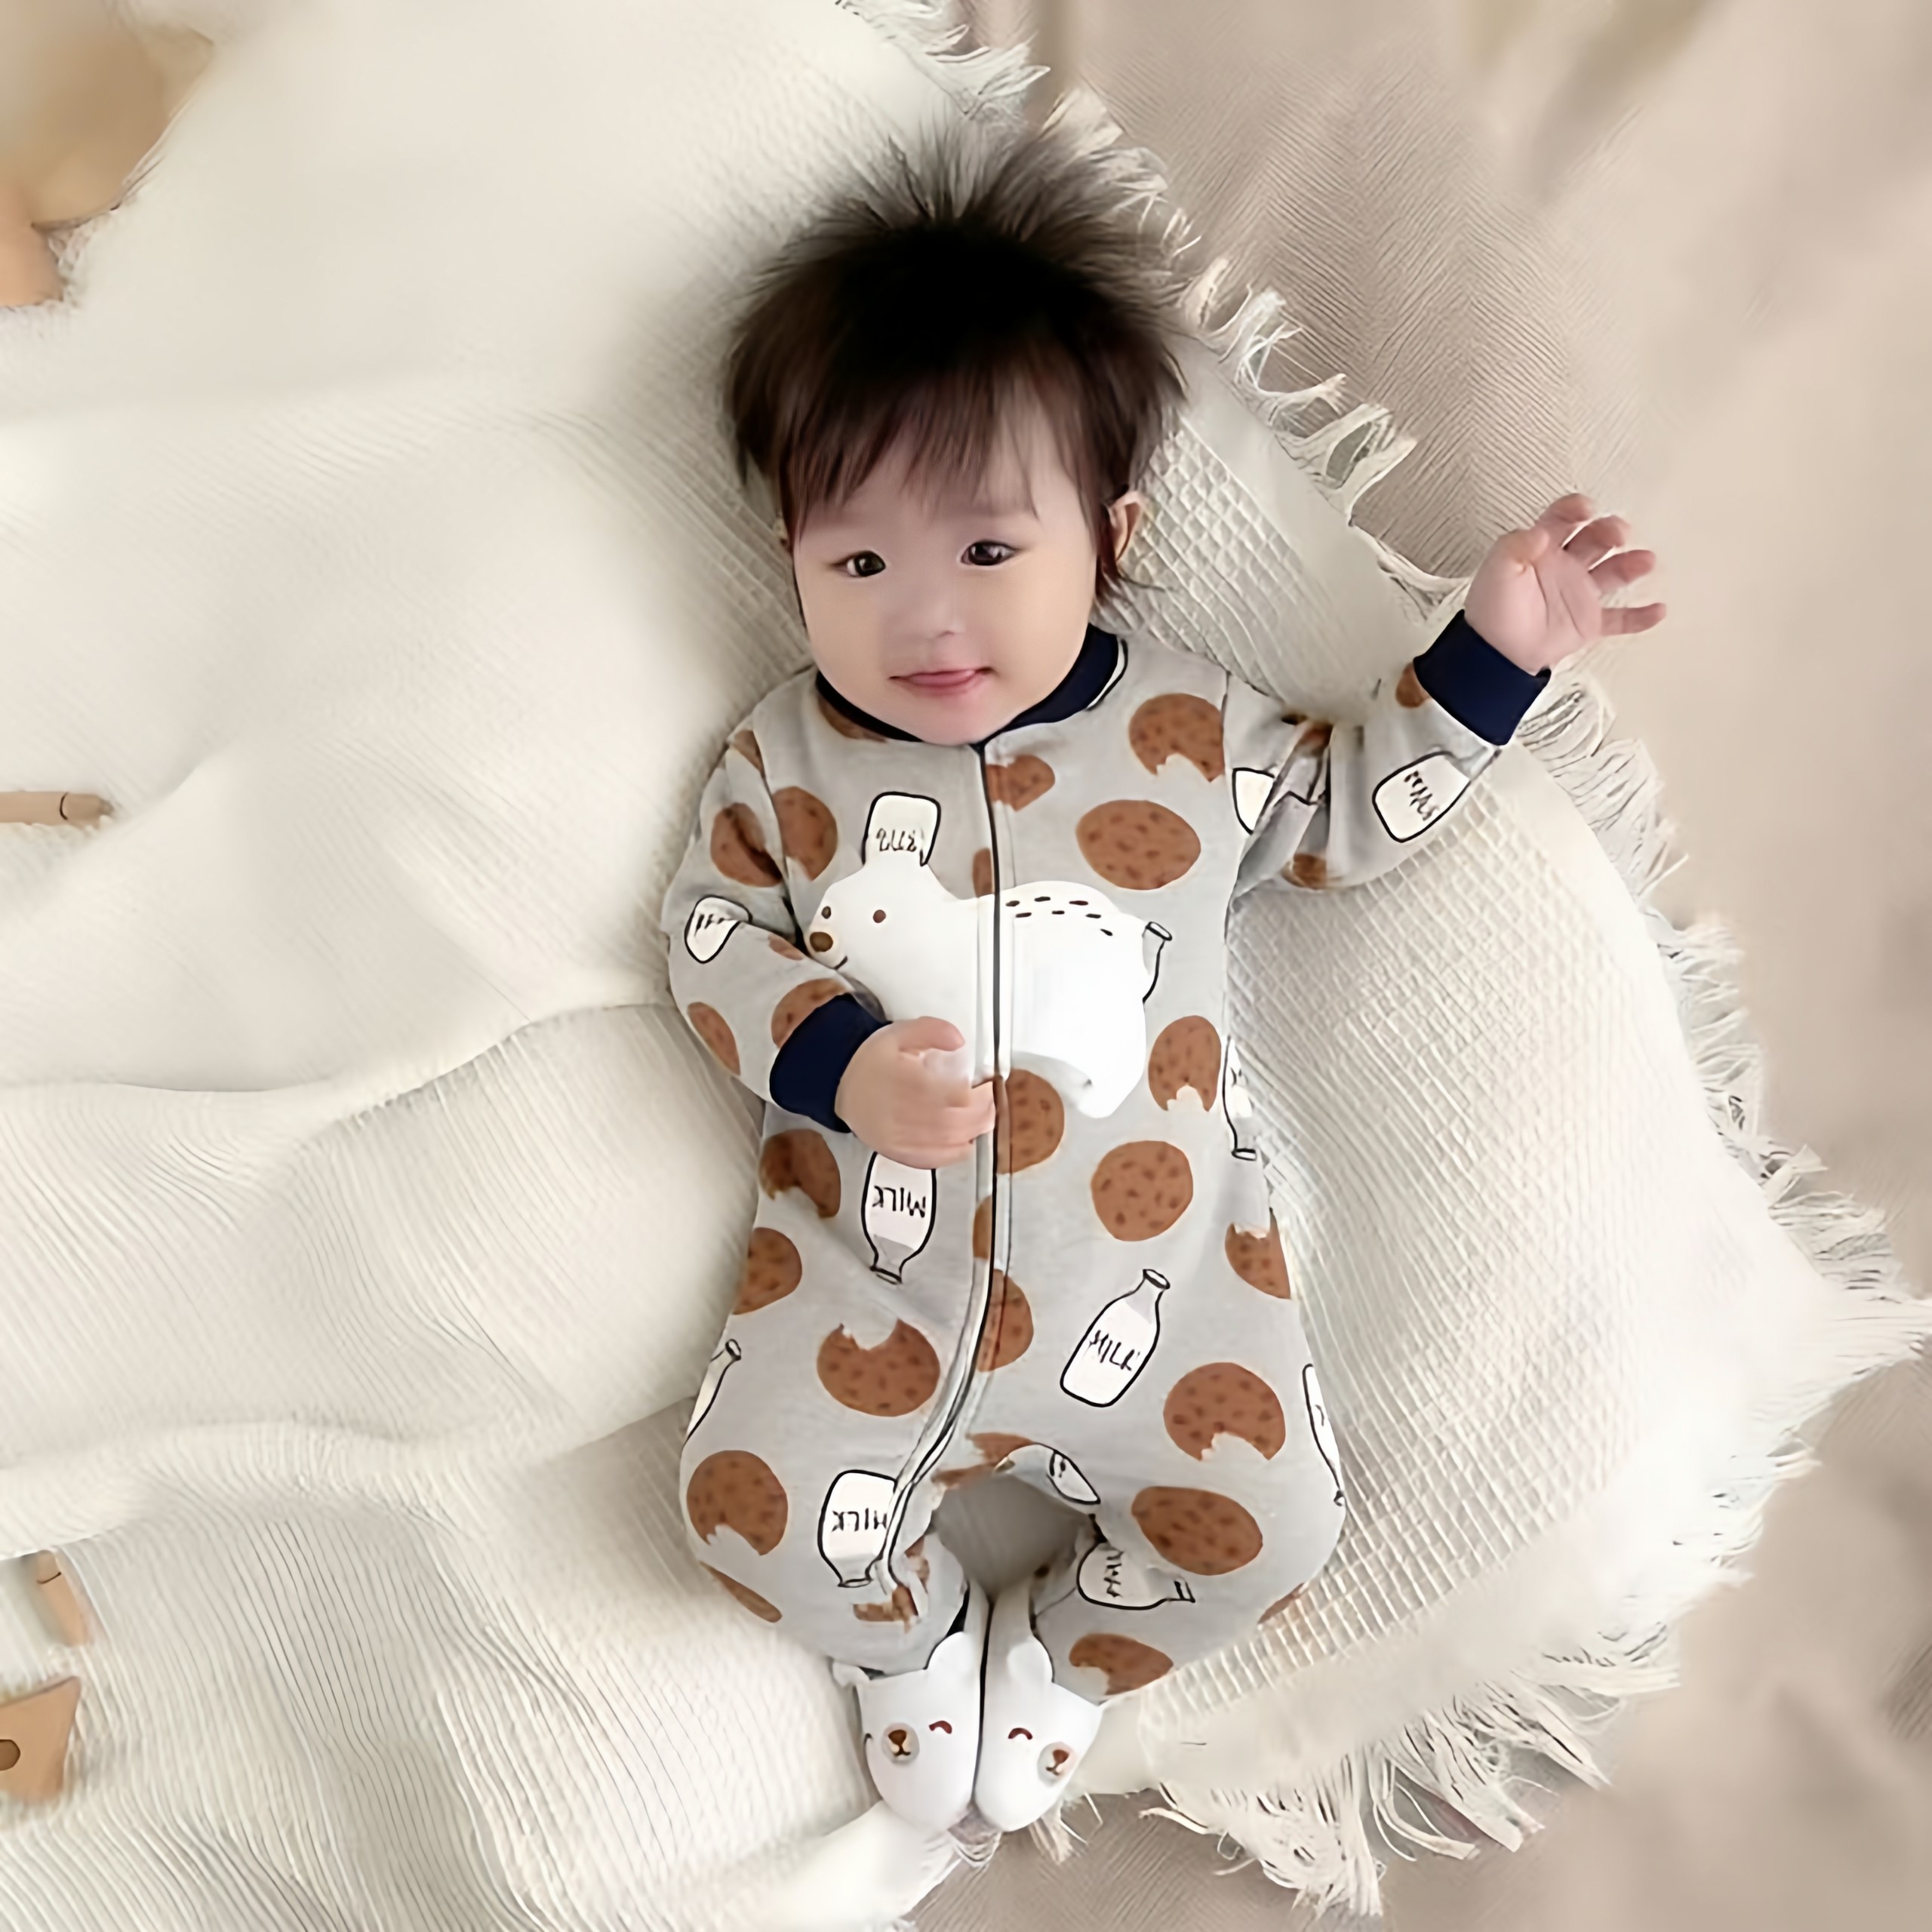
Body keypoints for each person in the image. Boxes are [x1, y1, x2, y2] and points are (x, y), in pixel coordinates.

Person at [661, 116, 1663, 1841]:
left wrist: (1494, 650)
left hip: (1164, 1298)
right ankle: (907, 1638)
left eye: (987, 551)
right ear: (789, 561)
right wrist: (840, 1065)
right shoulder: (785, 763)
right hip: (865, 1301)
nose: (925, 619)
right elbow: (706, 940)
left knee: (1267, 1527)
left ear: (1108, 536)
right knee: (738, 1508)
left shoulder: (1182, 732)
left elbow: (1347, 807)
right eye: (858, 562)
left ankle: (1062, 1650)